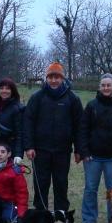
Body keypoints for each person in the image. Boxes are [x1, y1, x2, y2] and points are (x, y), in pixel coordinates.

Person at [22, 61, 83, 212]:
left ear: (62, 78)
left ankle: (61, 215)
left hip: (62, 150)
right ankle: (40, 213)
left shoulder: (72, 99)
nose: (54, 80)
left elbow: (79, 126)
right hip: (40, 150)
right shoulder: (37, 97)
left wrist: (79, 149)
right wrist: (29, 146)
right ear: (46, 79)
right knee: (41, 183)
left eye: (57, 77)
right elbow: (28, 122)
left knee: (61, 183)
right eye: (51, 77)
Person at [78, 73, 112, 223]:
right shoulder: (92, 106)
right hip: (93, 157)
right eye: (103, 85)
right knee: (90, 189)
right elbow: (83, 129)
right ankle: (88, 220)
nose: (106, 88)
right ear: (99, 87)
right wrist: (84, 152)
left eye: (109, 85)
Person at [0, 78, 24, 165]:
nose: (4, 91)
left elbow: (20, 132)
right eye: (2, 88)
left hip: (9, 149)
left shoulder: (17, 108)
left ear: (12, 91)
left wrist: (18, 154)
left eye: (7, 88)